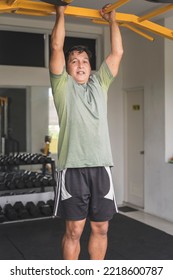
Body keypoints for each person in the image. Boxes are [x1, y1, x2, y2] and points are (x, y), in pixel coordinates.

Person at [49, 4, 123, 260]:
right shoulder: (62, 86)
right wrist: (61, 12)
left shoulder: (100, 83)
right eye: (74, 61)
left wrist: (112, 20)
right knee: (74, 230)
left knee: (101, 227)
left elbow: (117, 52)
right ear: (67, 68)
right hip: (73, 168)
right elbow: (56, 47)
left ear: (90, 66)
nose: (80, 65)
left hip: (102, 166)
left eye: (84, 61)